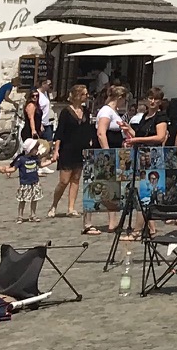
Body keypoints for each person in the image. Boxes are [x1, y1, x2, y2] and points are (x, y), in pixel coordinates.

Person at [85, 87, 126, 236]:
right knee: (95, 186)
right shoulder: (106, 111)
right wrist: (107, 153)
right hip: (104, 155)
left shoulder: (113, 112)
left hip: (114, 153)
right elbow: (101, 133)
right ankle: (88, 223)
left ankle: (112, 222)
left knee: (112, 188)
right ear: (120, 98)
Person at [51, 84, 92, 219]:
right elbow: (60, 133)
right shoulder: (66, 112)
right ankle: (54, 205)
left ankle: (71, 207)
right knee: (64, 180)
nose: (87, 96)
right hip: (67, 149)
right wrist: (56, 150)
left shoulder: (86, 111)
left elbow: (88, 129)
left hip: (81, 149)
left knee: (76, 179)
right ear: (77, 96)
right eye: (85, 94)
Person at [0, 136, 44, 223]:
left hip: (34, 182)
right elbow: (14, 169)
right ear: (30, 150)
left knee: (34, 199)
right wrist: (5, 170)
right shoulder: (21, 159)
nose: (36, 150)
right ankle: (20, 216)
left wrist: (52, 161)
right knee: (22, 200)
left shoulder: (35, 158)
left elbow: (41, 165)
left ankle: (33, 215)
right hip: (25, 183)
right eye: (35, 149)